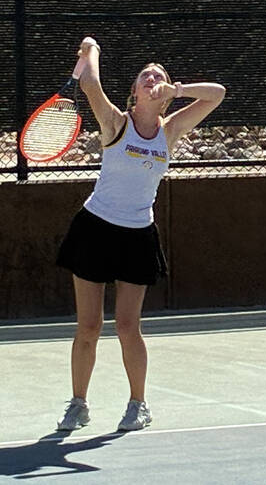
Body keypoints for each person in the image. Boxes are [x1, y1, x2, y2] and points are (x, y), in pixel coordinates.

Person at [54, 36, 225, 432]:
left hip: (137, 235)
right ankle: (78, 404)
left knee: (128, 326)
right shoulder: (116, 124)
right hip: (94, 229)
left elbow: (217, 94)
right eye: (144, 76)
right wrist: (91, 49)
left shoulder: (171, 131)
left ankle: (138, 404)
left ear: (164, 94)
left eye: (158, 76)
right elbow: (90, 85)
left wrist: (179, 90)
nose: (151, 78)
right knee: (89, 326)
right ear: (134, 92)